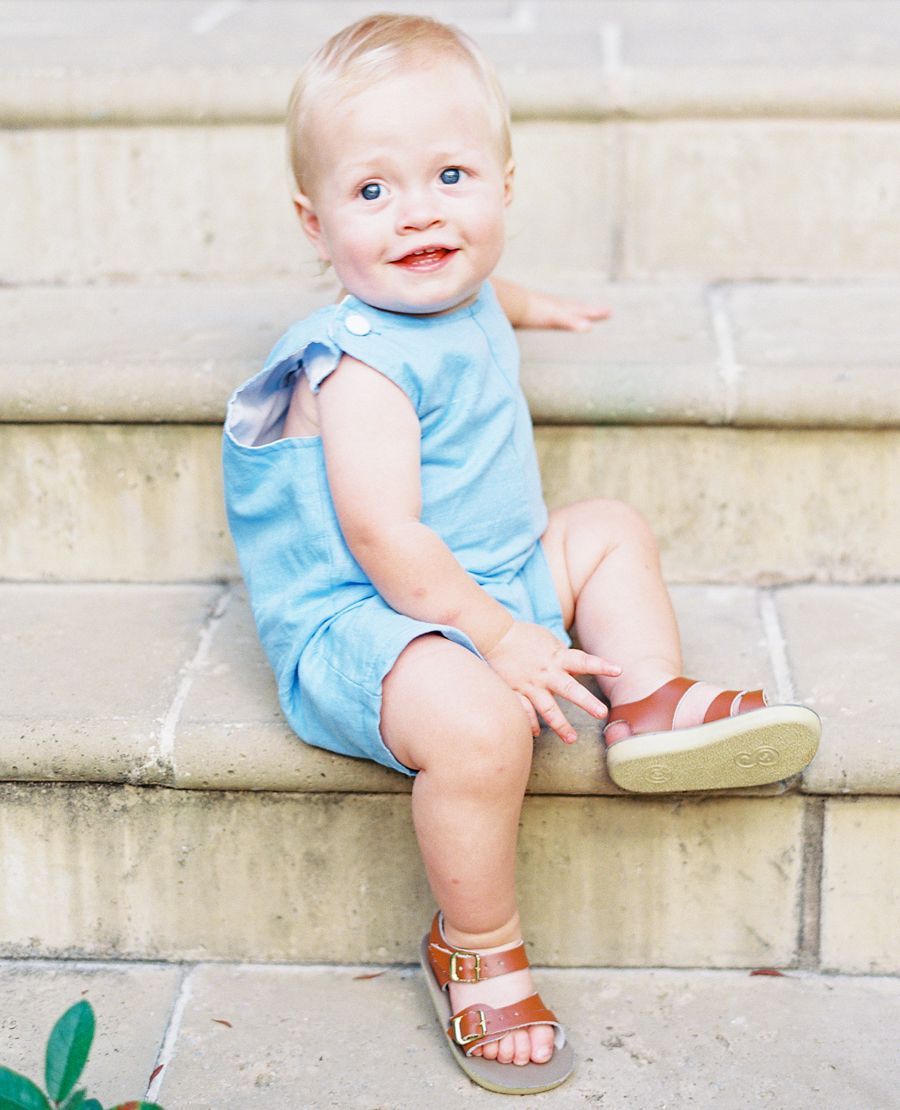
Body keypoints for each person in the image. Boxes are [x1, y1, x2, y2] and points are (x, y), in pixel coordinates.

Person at [222, 12, 821, 1095]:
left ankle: (645, 699)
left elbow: (487, 290)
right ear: (315, 223)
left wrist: (537, 307)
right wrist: (498, 638)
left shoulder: (457, 292)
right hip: (370, 620)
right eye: (373, 190)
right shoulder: (360, 368)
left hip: (487, 579)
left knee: (609, 528)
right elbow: (386, 540)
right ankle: (475, 944)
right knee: (483, 729)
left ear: (504, 185)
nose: (419, 213)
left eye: (450, 177)